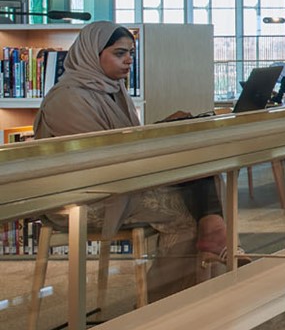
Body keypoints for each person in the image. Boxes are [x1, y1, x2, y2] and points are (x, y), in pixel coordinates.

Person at [33, 22, 233, 300]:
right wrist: (157, 139)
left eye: (130, 53)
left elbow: (123, 144)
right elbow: (100, 156)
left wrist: (162, 129)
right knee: (187, 212)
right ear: (93, 54)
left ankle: (200, 282)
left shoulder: (113, 90)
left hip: (118, 180)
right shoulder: (68, 98)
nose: (128, 60)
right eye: (119, 53)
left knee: (204, 175)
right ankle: (169, 304)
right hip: (83, 195)